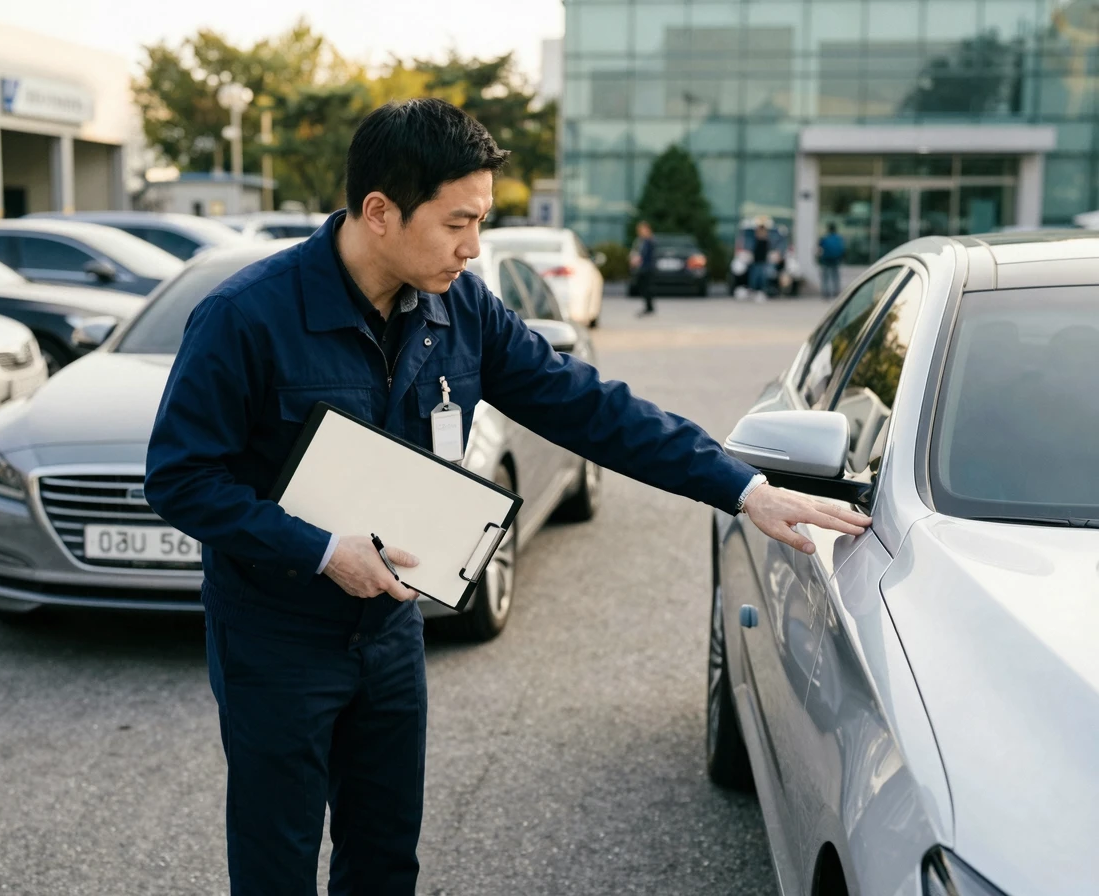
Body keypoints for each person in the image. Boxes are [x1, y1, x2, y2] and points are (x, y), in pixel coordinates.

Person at [144, 98, 870, 896]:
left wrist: (740, 487)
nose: (474, 246)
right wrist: (319, 550)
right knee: (275, 866)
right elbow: (182, 478)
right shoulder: (245, 318)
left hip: (389, 633)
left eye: (481, 220)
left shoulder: (461, 311)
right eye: (459, 222)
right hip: (275, 641)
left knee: (385, 859)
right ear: (380, 211)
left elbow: (592, 408)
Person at [630, 220, 658, 316]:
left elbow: (645, 255)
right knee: (643, 287)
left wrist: (637, 260)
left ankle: (649, 307)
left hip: (647, 267)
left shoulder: (649, 241)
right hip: (642, 267)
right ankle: (648, 306)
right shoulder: (640, 241)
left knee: (647, 288)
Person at [818, 222, 846, 298]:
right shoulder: (839, 238)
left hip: (826, 260)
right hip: (836, 260)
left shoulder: (824, 238)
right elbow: (842, 249)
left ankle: (825, 293)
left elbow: (819, 249)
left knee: (825, 278)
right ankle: (836, 292)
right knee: (835, 277)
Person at [748, 219, 772, 302]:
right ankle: (754, 291)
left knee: (762, 277)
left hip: (762, 261)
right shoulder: (755, 240)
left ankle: (761, 291)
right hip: (756, 261)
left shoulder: (765, 240)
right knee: (755, 277)